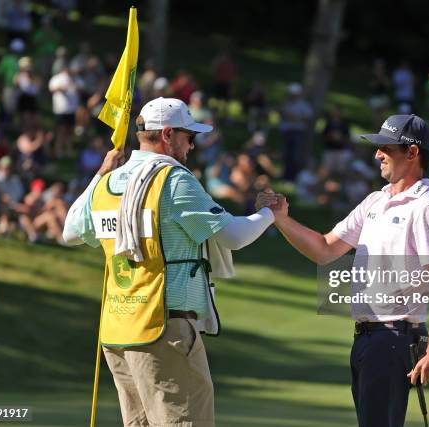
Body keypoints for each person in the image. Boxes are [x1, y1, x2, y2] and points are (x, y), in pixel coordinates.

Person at [62, 97, 277, 426]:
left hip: (118, 331)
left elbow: (70, 231)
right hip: (164, 328)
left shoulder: (107, 183)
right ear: (167, 135)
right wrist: (268, 214)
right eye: (189, 137)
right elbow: (233, 235)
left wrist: (99, 174)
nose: (192, 146)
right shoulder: (173, 180)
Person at [257, 114, 429, 427]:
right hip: (366, 338)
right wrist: (281, 219)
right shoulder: (375, 201)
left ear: (412, 153)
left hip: (394, 338)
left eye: (385, 148)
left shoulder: (426, 206)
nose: (377, 154)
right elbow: (325, 249)